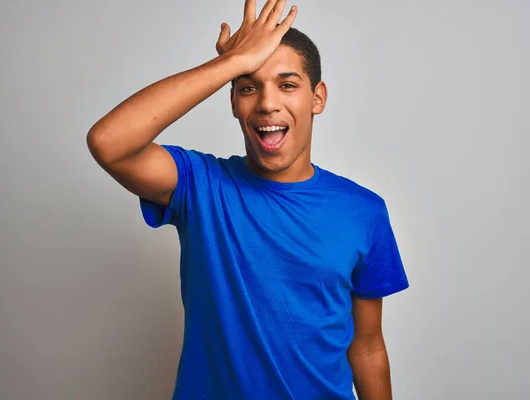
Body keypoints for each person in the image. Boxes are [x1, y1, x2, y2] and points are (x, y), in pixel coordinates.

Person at [87, 0, 409, 398]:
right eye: (248, 87)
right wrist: (231, 63)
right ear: (234, 102)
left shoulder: (364, 211)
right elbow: (109, 142)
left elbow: (368, 346)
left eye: (288, 84)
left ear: (317, 98)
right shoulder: (200, 185)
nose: (268, 103)